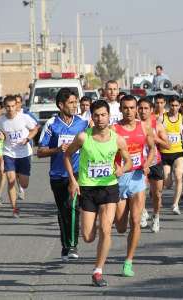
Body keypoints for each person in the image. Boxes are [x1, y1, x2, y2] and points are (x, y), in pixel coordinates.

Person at [63, 100, 132, 287]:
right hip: (88, 189)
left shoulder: (117, 139)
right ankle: (120, 214)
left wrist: (121, 170)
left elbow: (129, 162)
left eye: (103, 115)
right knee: (88, 236)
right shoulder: (83, 137)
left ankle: (98, 271)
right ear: (91, 117)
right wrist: (73, 180)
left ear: (109, 116)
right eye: (96, 115)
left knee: (105, 228)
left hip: (109, 188)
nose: (100, 118)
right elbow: (67, 155)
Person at [37, 88, 89, 262]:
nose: (75, 106)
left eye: (76, 102)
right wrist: (57, 150)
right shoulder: (52, 124)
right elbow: (41, 151)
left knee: (72, 206)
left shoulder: (82, 123)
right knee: (63, 210)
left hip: (76, 173)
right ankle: (65, 245)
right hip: (57, 174)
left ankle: (73, 245)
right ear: (61, 105)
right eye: (71, 103)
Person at [113, 95, 155, 277]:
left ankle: (128, 261)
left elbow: (153, 148)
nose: (129, 111)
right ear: (120, 109)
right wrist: (115, 167)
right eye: (125, 108)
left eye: (132, 108)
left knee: (136, 221)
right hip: (120, 179)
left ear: (136, 108)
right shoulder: (113, 129)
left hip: (137, 177)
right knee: (121, 227)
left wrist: (148, 163)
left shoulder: (144, 127)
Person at [0, 95, 38, 218]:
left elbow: (35, 128)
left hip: (24, 153)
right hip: (9, 152)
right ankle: (14, 208)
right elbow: (0, 132)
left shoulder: (24, 118)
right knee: (10, 180)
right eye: (8, 107)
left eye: (12, 106)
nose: (10, 109)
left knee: (24, 184)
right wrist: (0, 136)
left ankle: (20, 180)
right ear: (5, 107)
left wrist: (28, 138)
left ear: (17, 106)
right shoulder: (1, 120)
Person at [137, 97, 169, 232]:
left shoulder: (158, 125)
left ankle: (156, 217)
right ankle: (143, 212)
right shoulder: (134, 125)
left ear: (151, 110)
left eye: (146, 108)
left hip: (155, 162)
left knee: (157, 194)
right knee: (141, 190)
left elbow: (168, 145)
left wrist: (155, 138)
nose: (143, 111)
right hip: (140, 163)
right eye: (141, 108)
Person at [158, 96, 183, 215]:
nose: (174, 108)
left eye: (177, 105)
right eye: (172, 105)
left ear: (179, 106)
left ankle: (175, 204)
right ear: (168, 105)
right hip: (165, 154)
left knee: (179, 176)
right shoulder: (162, 118)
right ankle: (168, 184)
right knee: (168, 182)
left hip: (178, 152)